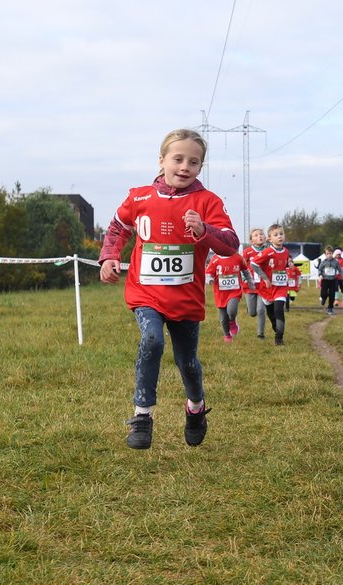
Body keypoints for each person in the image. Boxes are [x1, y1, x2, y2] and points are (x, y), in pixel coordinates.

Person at [99, 128, 238, 449]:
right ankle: (142, 415)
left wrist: (205, 229)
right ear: (162, 161)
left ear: (201, 167)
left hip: (186, 299)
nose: (185, 167)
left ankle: (196, 408)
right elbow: (118, 228)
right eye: (178, 159)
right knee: (151, 339)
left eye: (194, 161)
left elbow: (230, 244)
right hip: (145, 293)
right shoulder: (139, 197)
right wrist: (109, 257)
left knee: (187, 361)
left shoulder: (208, 202)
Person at [249, 224, 292, 346]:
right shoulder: (268, 251)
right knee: (271, 314)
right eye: (276, 235)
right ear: (269, 238)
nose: (279, 237)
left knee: (279, 310)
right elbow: (253, 264)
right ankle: (276, 327)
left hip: (281, 287)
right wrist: (265, 278)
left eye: (281, 234)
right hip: (267, 288)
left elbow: (283, 267)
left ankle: (279, 338)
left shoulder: (286, 251)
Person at [205, 249, 247, 343]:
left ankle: (232, 321)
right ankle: (227, 335)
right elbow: (208, 273)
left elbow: (245, 269)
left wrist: (247, 280)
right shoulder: (215, 259)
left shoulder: (237, 257)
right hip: (220, 293)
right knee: (223, 318)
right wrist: (210, 280)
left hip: (234, 291)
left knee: (231, 310)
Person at [241, 227, 269, 339]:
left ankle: (260, 333)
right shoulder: (247, 252)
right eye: (256, 235)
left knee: (261, 310)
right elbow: (242, 266)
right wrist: (244, 278)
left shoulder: (268, 250)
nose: (260, 236)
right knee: (252, 312)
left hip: (264, 286)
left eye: (261, 234)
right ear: (251, 240)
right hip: (250, 285)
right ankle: (250, 308)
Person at [316, 246, 343, 315]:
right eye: (327, 253)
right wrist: (320, 275)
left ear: (332, 253)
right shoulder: (323, 262)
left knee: (332, 295)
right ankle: (324, 298)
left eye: (330, 253)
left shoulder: (336, 262)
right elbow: (320, 270)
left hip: (333, 280)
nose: (329, 255)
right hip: (325, 280)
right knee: (323, 294)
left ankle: (330, 308)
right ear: (325, 254)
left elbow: (340, 270)